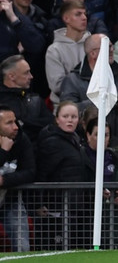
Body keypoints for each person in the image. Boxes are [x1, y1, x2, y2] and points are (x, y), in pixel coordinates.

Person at [60, 34, 118, 148]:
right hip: (85, 146)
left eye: (111, 46)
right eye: (107, 47)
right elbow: (68, 111)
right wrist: (98, 101)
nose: (111, 50)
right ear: (93, 53)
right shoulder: (73, 80)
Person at [34, 101, 87, 249]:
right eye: (65, 116)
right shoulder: (51, 142)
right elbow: (42, 173)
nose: (70, 120)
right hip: (55, 207)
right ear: (57, 119)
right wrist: (38, 203)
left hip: (73, 205)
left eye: (74, 117)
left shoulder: (76, 139)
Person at [80, 117, 118, 248]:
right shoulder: (80, 157)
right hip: (87, 217)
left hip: (115, 217)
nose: (102, 138)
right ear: (88, 135)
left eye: (106, 135)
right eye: (97, 134)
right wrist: (95, 192)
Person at [0, 106, 35, 252]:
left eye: (15, 121)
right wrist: (3, 151)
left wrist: (4, 181)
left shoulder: (21, 139)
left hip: (10, 200)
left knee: (22, 246)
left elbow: (30, 172)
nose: (15, 127)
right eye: (9, 123)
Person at [45, 0, 90, 104]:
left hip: (93, 103)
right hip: (64, 105)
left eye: (85, 14)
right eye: (78, 14)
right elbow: (57, 86)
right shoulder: (54, 50)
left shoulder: (94, 44)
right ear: (66, 18)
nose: (84, 17)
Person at [0, 55, 52, 142]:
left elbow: (50, 122)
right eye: (26, 73)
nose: (31, 76)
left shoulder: (35, 99)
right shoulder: (2, 101)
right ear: (11, 76)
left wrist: (25, 122)